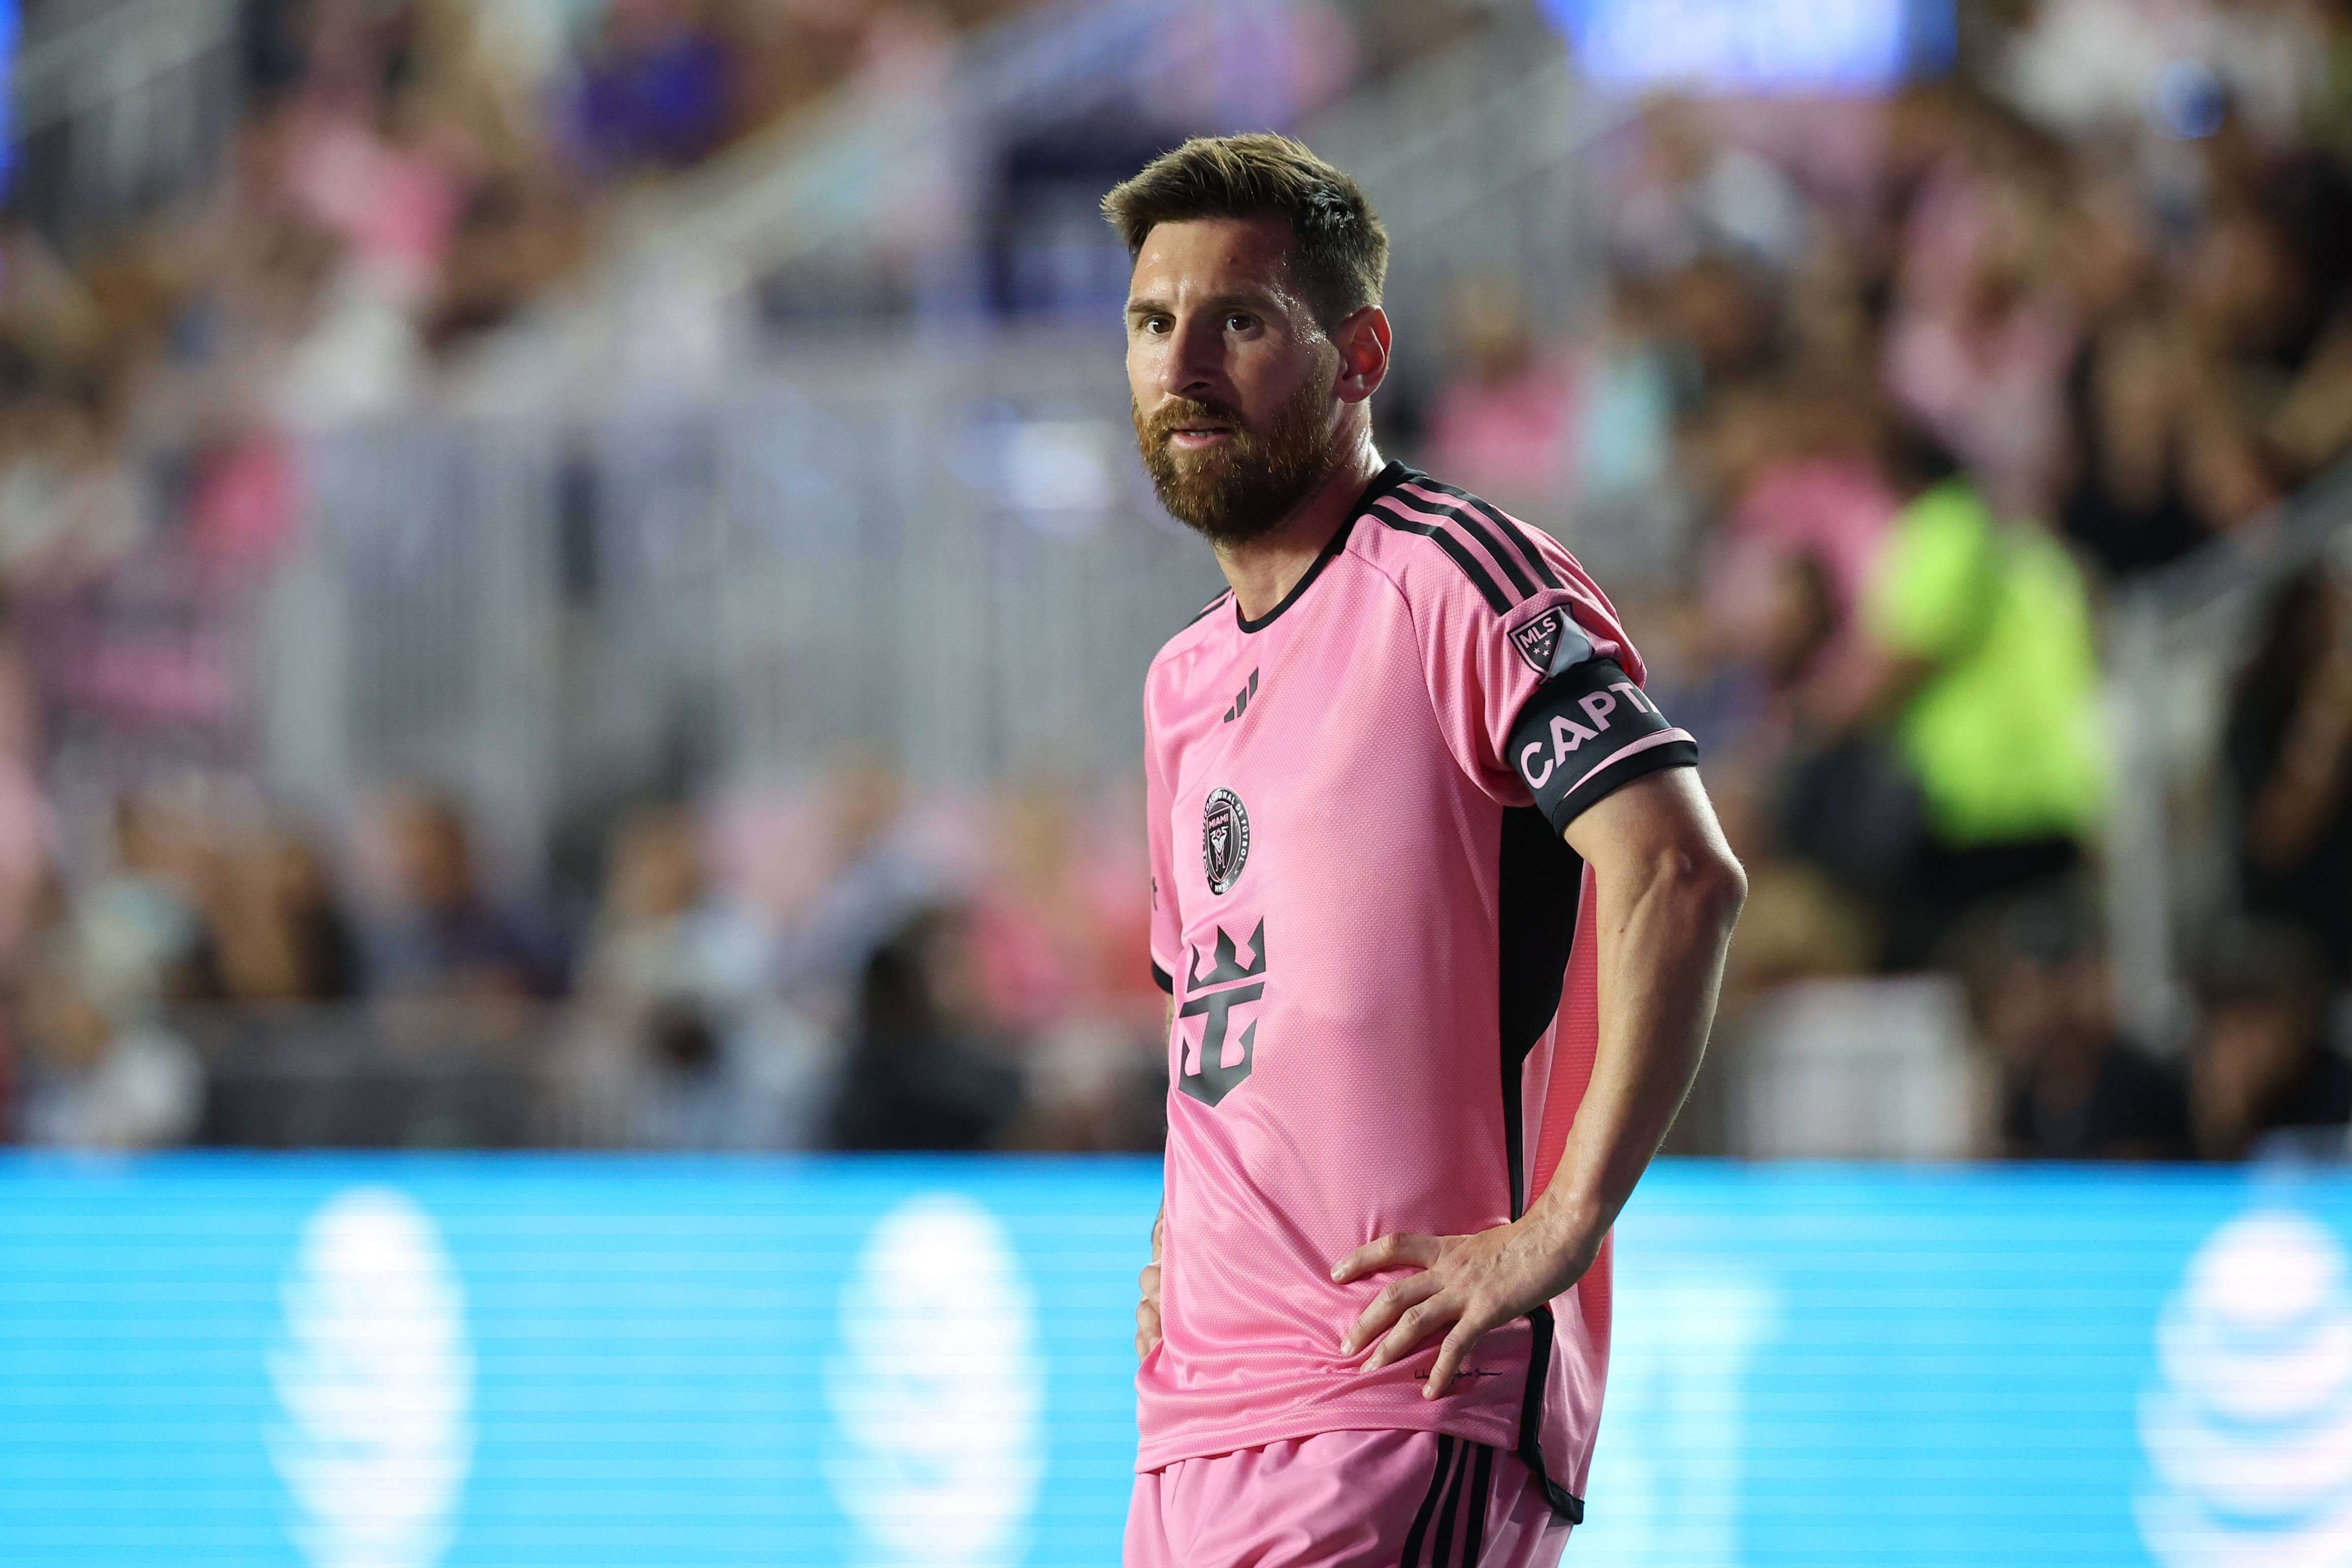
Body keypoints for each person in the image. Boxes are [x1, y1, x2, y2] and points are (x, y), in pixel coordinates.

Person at [1106, 136, 1747, 1566]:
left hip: (1402, 1394)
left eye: (1242, 319)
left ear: (1362, 354)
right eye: (1154, 323)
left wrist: (1560, 1228)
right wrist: (1175, 1249)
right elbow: (1212, 1006)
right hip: (1195, 1418)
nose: (1184, 363)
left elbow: (1679, 871)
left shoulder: (1454, 577)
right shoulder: (1179, 683)